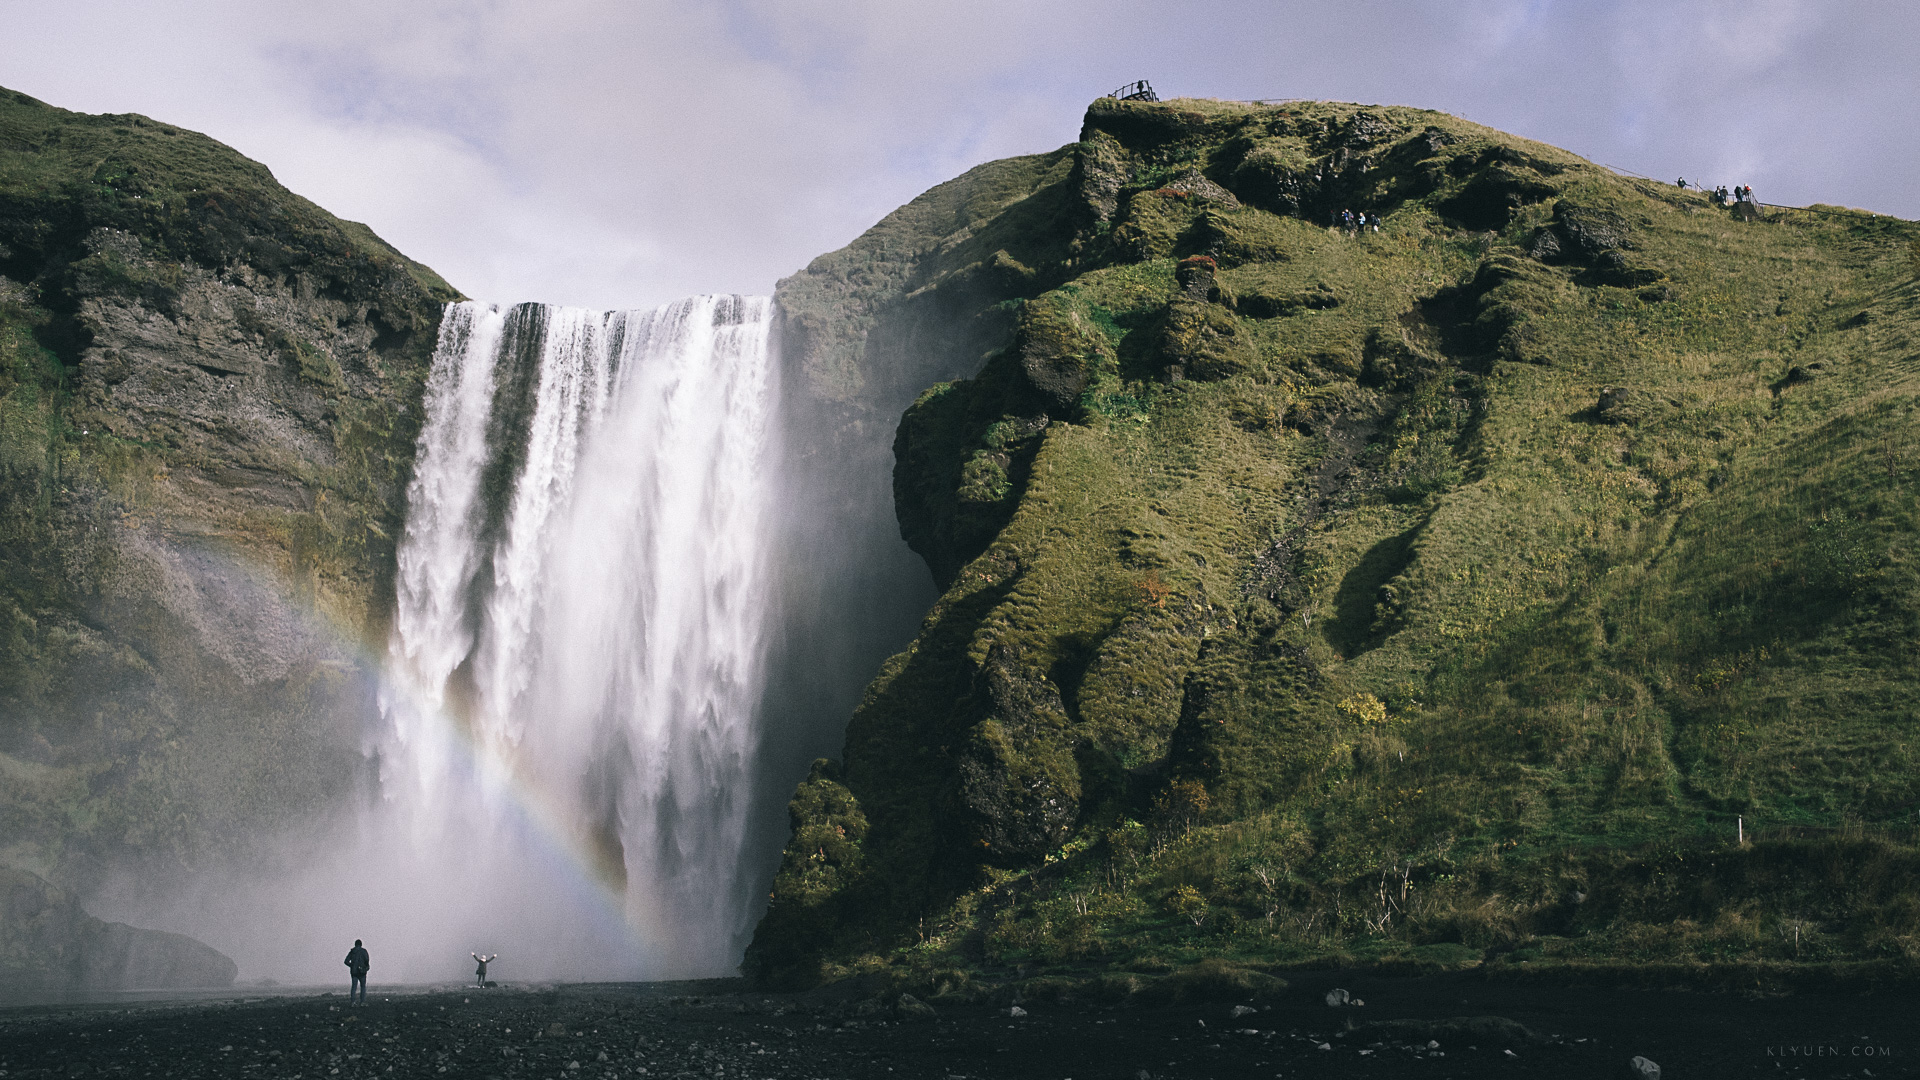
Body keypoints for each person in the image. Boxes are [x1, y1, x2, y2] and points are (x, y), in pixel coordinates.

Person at [344, 939, 370, 1005]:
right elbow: (367, 960)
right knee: (363, 987)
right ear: (361, 944)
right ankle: (362, 1002)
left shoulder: (352, 951)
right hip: (362, 972)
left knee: (354, 987)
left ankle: (353, 1002)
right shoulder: (364, 951)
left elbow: (346, 961)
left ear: (355, 944)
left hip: (354, 972)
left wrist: (352, 966)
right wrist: (365, 967)